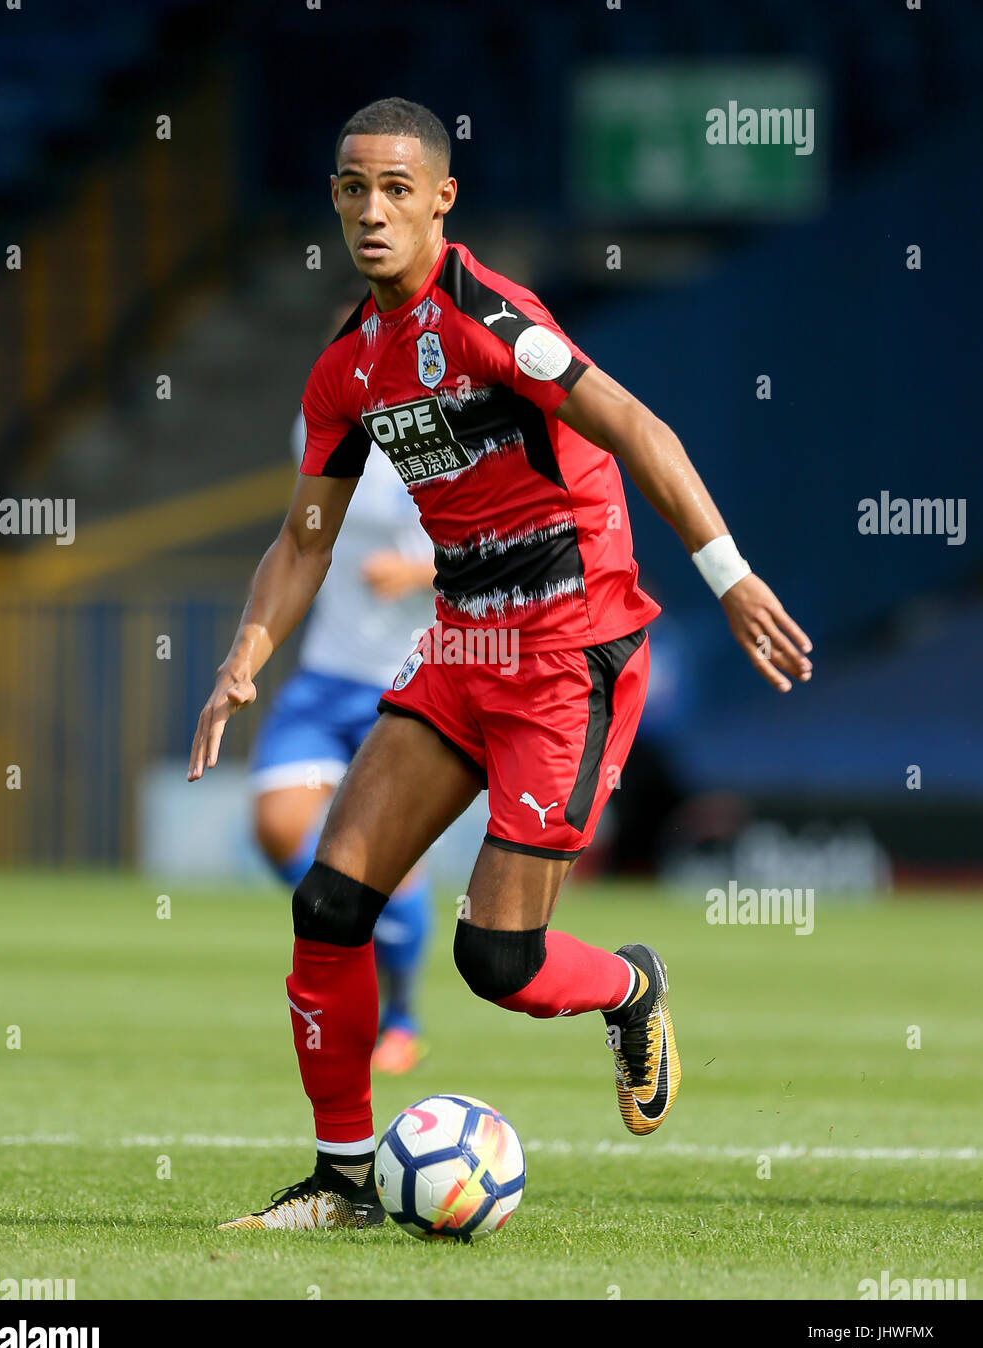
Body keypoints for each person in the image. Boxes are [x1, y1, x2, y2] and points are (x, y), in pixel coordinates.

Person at [188, 98, 813, 1233]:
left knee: (499, 957)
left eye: (394, 189)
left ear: (441, 201)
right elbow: (304, 538)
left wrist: (729, 576)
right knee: (330, 898)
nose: (371, 210)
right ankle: (340, 1185)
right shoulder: (349, 365)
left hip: (570, 654)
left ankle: (630, 986)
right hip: (464, 646)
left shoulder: (489, 318)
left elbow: (637, 425)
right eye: (350, 188)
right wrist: (246, 652)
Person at [250, 320, 436, 1073]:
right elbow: (307, 533)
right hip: (328, 671)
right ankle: (357, 922)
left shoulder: (450, 432)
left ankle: (400, 1015)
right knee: (274, 828)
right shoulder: (319, 421)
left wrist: (420, 571)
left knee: (383, 856)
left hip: (413, 677)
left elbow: (501, 545)